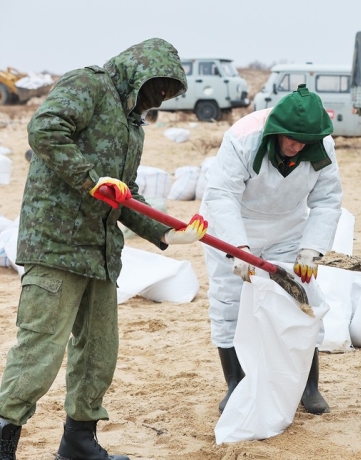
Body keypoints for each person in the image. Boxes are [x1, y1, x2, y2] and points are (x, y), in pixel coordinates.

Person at [0, 38, 208, 460]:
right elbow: (44, 128)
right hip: (57, 243)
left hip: (100, 252)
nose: (160, 97)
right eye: (157, 87)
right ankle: (4, 432)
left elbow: (123, 195)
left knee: (98, 353)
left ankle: (79, 440)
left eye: (168, 92)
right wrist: (88, 177)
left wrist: (168, 233)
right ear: (138, 72)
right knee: (41, 349)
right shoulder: (90, 85)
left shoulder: (133, 126)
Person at [200, 83, 342, 415]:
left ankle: (309, 386)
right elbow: (222, 196)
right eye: (290, 138)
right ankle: (236, 382)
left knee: (301, 299)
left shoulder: (322, 146)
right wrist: (238, 248)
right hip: (234, 226)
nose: (296, 146)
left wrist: (312, 248)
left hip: (288, 229)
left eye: (303, 142)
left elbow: (327, 200)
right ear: (276, 130)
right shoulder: (242, 138)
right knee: (229, 302)